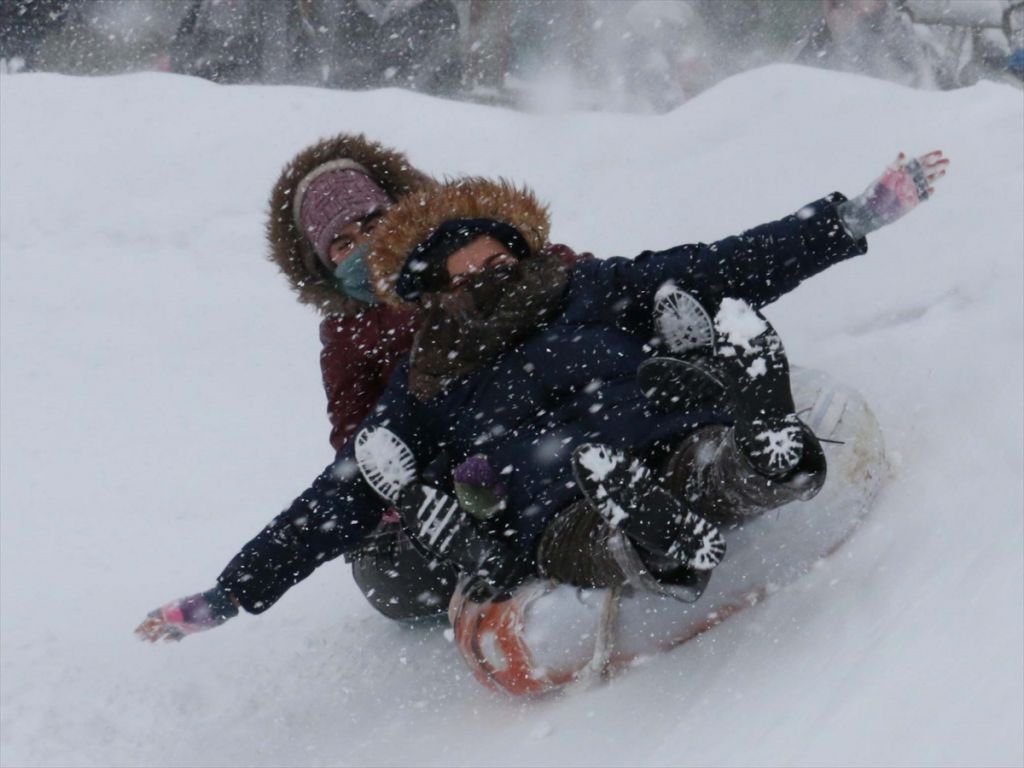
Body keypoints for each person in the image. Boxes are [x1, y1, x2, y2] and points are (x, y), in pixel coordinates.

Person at [135, 150, 947, 642]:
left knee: (702, 458)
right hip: (559, 501)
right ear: (431, 295)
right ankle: (659, 546)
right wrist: (235, 590)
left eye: (495, 262)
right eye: (462, 276)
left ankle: (770, 455)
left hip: (655, 433)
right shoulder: (426, 382)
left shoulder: (586, 286)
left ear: (521, 251)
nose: (485, 280)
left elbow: (725, 263)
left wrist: (852, 218)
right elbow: (340, 492)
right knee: (587, 529)